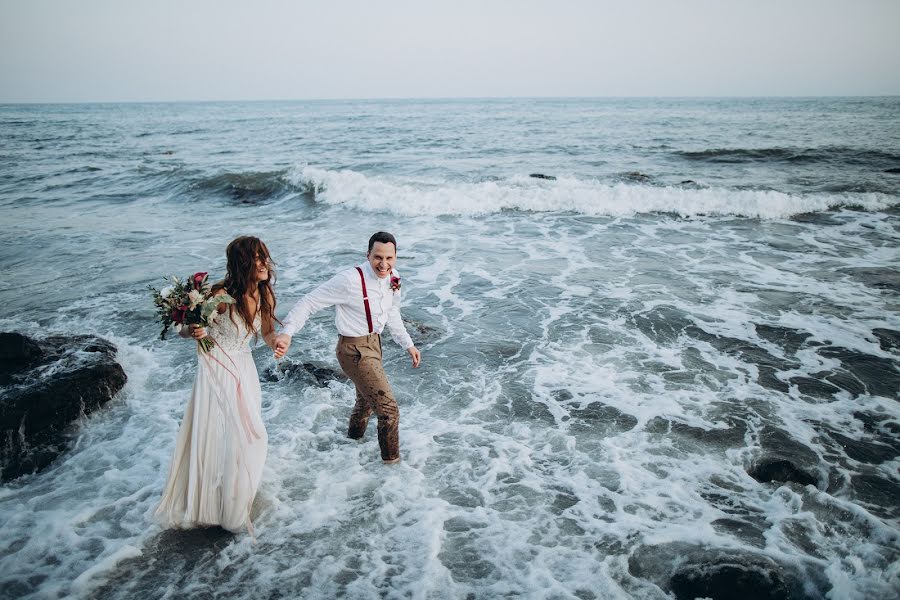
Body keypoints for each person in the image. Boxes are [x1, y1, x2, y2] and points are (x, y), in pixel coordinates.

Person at [155, 236, 283, 534]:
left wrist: (276, 342)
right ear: (242, 263)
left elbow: (266, 333)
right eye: (257, 258)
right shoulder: (220, 296)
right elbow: (186, 330)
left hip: (245, 369)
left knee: (246, 433)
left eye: (265, 256)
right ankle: (211, 505)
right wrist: (195, 329)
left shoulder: (265, 295)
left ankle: (233, 496)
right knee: (223, 432)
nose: (265, 263)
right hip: (217, 367)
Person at [274, 231, 421, 464]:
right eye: (377, 257)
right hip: (353, 350)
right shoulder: (350, 280)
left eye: (389, 258)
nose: (383, 264)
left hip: (374, 344)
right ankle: (392, 466)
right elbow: (309, 302)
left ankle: (350, 447)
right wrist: (287, 332)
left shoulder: (394, 277)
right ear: (368, 255)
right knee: (389, 410)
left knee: (365, 403)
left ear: (395, 257)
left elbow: (393, 312)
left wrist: (408, 344)